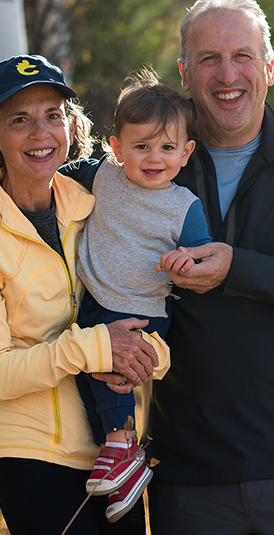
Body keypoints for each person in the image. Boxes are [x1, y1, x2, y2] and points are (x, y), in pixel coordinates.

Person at [0, 0, 274, 535]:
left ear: (269, 67)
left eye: (242, 55)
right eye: (209, 59)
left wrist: (240, 267)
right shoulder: (136, 168)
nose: (227, 73)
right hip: (188, 482)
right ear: (185, 75)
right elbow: (44, 241)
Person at [0, 54, 171, 535]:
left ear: (72, 125)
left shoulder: (98, 203)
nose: (40, 133)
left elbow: (140, 305)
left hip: (117, 453)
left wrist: (150, 353)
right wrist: (97, 346)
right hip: (31, 455)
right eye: (19, 120)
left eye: (52, 115)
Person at [59, 69, 212, 522]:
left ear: (186, 154)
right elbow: (57, 177)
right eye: (141, 146)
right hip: (95, 297)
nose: (153, 158)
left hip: (142, 307)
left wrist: (185, 262)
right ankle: (122, 465)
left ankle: (123, 447)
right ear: (116, 147)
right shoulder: (103, 175)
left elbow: (201, 255)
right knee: (89, 376)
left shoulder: (183, 206)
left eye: (167, 148)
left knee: (112, 371)